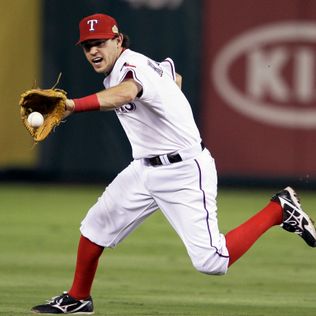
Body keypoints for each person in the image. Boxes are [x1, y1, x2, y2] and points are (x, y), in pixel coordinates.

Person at [31, 13, 316, 314]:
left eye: (99, 43)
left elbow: (127, 92)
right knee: (95, 225)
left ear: (117, 40)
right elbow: (171, 73)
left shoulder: (131, 67)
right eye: (87, 47)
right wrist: (168, 93)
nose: (93, 52)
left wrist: (72, 106)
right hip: (144, 169)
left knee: (212, 262)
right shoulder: (134, 67)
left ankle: (279, 209)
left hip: (183, 170)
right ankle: (78, 298)